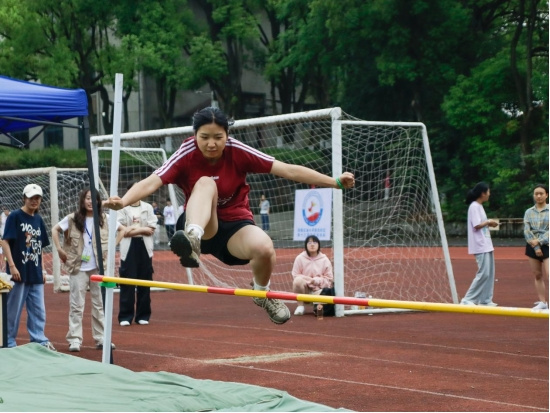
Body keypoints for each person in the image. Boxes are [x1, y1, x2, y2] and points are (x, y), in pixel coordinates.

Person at [104, 106, 355, 325]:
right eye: (204, 137)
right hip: (201, 223)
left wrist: (334, 182)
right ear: (194, 135)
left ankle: (262, 293)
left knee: (265, 247)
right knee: (205, 183)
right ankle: (191, 239)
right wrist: (123, 201)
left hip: (234, 228)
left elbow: (286, 169)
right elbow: (152, 181)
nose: (211, 144)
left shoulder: (237, 150)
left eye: (218, 137)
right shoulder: (186, 152)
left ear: (227, 135)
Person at [52, 188, 124, 352]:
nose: (91, 202)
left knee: (99, 304)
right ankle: (75, 339)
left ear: (99, 201)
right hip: (78, 267)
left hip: (98, 268)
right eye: (88, 198)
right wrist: (59, 249)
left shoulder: (104, 219)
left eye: (94, 199)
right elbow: (55, 229)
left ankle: (101, 338)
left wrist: (112, 246)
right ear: (82, 200)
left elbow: (122, 230)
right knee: (77, 305)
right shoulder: (73, 218)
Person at [1, 184, 55, 350]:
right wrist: (12, 265)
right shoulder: (15, 216)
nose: (34, 201)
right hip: (18, 271)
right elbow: (4, 241)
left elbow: (39, 246)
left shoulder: (38, 219)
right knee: (13, 309)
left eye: (37, 198)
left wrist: (43, 270)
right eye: (31, 198)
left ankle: (39, 339)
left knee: (39, 309)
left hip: (35, 271)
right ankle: (8, 341)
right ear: (24, 198)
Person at [116, 182, 157, 326]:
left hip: (144, 246)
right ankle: (125, 316)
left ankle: (143, 314)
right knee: (127, 281)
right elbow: (122, 230)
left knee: (144, 281)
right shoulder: (121, 209)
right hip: (128, 247)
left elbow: (151, 228)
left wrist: (132, 230)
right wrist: (141, 230)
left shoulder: (148, 207)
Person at [461, 182, 499, 306]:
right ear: (483, 193)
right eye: (488, 192)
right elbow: (476, 225)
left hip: (486, 243)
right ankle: (468, 299)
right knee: (484, 272)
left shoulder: (479, 206)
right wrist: (489, 222)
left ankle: (485, 299)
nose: (489, 194)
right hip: (479, 244)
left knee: (490, 273)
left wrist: (489, 223)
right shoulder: (474, 206)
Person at [291, 235, 334, 316]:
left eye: (315, 242)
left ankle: (318, 307)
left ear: (319, 245)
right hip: (305, 290)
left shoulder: (324, 259)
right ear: (306, 245)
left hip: (319, 291)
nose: (312, 245)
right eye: (309, 242)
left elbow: (329, 279)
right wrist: (309, 280)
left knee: (329, 292)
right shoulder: (300, 258)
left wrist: (316, 281)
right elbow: (295, 275)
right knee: (297, 281)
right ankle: (300, 306)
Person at [523, 184, 549, 310]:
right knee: (537, 275)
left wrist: (539, 242)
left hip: (547, 244)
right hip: (532, 246)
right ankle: (543, 302)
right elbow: (527, 230)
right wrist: (535, 246)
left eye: (541, 193)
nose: (538, 196)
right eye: (536, 194)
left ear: (546, 195)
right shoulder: (529, 212)